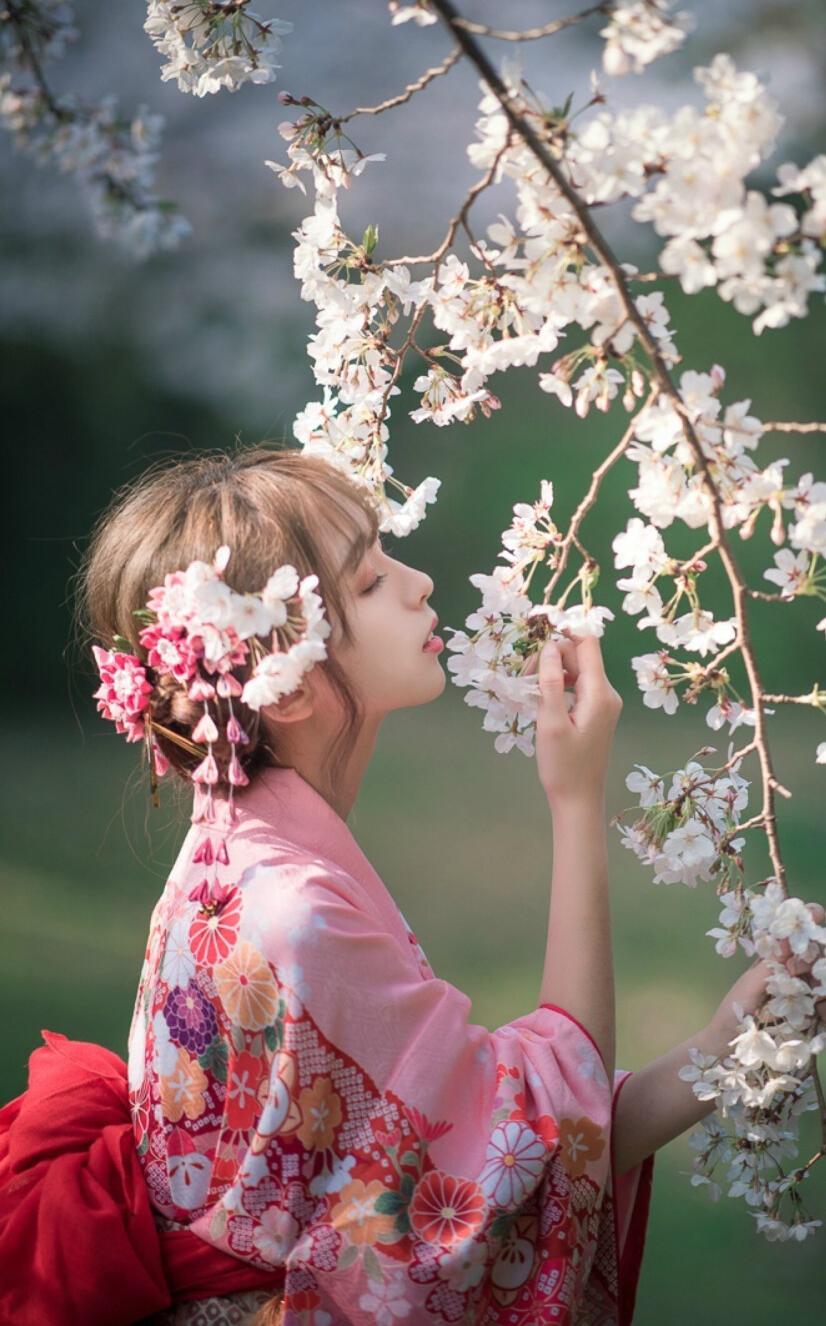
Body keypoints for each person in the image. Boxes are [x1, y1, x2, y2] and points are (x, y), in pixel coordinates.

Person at [0, 447, 783, 1326]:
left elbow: (512, 1139)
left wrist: (728, 1047)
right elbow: (524, 1152)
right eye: (369, 580)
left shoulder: (243, 857)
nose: (418, 583)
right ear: (283, 684)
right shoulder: (294, 918)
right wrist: (575, 801)